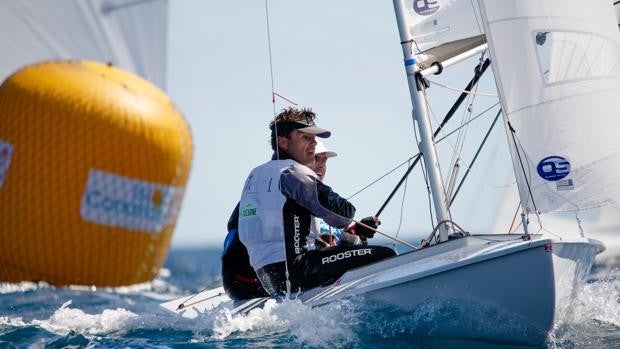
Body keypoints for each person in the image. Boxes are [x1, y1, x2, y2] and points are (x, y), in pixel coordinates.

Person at [235, 107, 396, 298]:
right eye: (305, 137)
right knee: (386, 255)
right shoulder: (293, 173)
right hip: (297, 271)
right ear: (283, 142)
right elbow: (344, 214)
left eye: (314, 138)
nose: (313, 144)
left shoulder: (255, 174)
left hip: (268, 278)